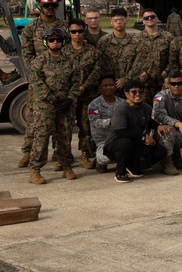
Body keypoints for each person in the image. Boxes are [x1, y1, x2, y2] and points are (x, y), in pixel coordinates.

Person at [26, 27, 81, 184]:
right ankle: (35, 170)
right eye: (51, 40)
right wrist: (53, 99)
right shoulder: (39, 61)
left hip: (65, 106)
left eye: (58, 40)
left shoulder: (71, 61)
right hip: (45, 107)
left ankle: (66, 166)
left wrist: (70, 99)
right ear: (46, 42)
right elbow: (37, 83)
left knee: (64, 137)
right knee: (41, 138)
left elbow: (76, 82)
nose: (55, 43)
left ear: (63, 42)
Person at [106, 79, 167, 183]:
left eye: (141, 92)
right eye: (133, 92)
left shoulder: (146, 107)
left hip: (136, 143)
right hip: (116, 145)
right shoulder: (121, 109)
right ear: (126, 93)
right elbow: (120, 132)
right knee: (125, 143)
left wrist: (158, 126)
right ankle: (120, 172)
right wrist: (143, 137)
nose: (138, 94)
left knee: (161, 151)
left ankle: (134, 167)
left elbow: (149, 121)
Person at [65, 18, 101, 169]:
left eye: (80, 31)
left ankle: (85, 154)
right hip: (68, 97)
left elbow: (97, 71)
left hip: (87, 96)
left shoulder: (92, 52)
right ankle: (64, 156)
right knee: (64, 127)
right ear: (69, 33)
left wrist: (84, 86)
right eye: (74, 31)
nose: (77, 34)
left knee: (85, 127)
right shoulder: (62, 52)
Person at [96, 8, 139, 90]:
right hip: (109, 85)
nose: (118, 22)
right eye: (115, 20)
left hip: (129, 85)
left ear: (126, 21)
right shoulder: (104, 41)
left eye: (121, 20)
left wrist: (125, 80)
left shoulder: (135, 41)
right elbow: (99, 63)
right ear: (111, 22)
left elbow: (138, 64)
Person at [21, 0, 61, 67]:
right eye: (46, 5)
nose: (50, 8)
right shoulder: (30, 28)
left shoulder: (65, 26)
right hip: (40, 70)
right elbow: (27, 53)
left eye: (53, 5)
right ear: (39, 6)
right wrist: (35, 71)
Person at [88, 74, 119, 172]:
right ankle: (99, 160)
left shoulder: (122, 103)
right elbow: (95, 122)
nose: (109, 87)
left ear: (115, 87)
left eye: (111, 85)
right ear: (100, 88)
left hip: (120, 138)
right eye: (105, 86)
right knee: (104, 159)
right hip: (103, 140)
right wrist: (110, 122)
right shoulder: (93, 105)